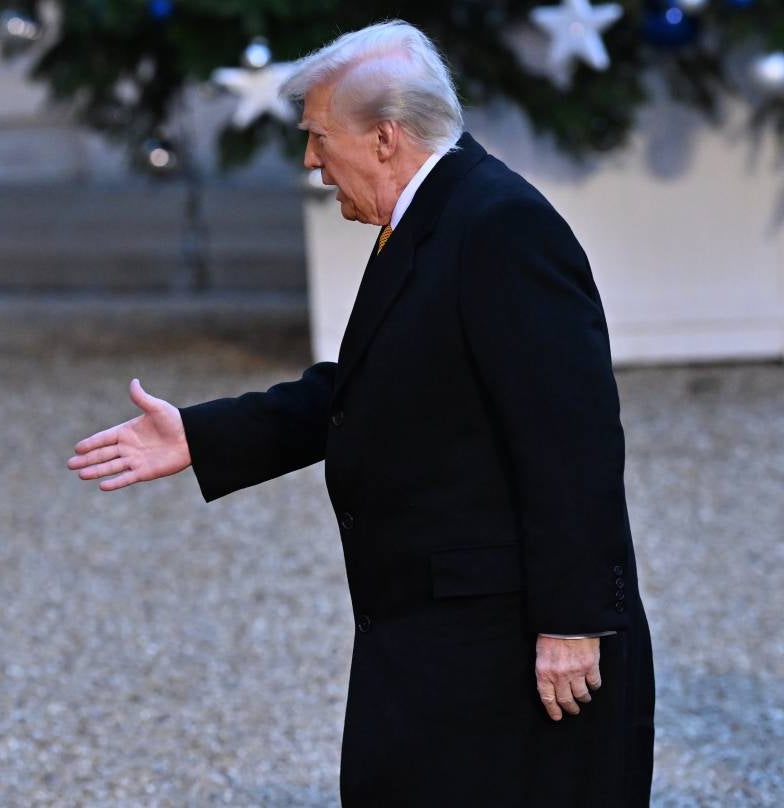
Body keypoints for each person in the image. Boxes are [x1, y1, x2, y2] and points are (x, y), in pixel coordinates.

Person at [67, 20, 655, 807]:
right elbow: (369, 387)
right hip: (438, 634)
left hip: (509, 645)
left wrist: (575, 625)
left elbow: (573, 437)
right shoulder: (428, 219)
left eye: (317, 137)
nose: (310, 162)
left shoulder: (500, 226)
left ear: (383, 138)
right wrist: (204, 436)